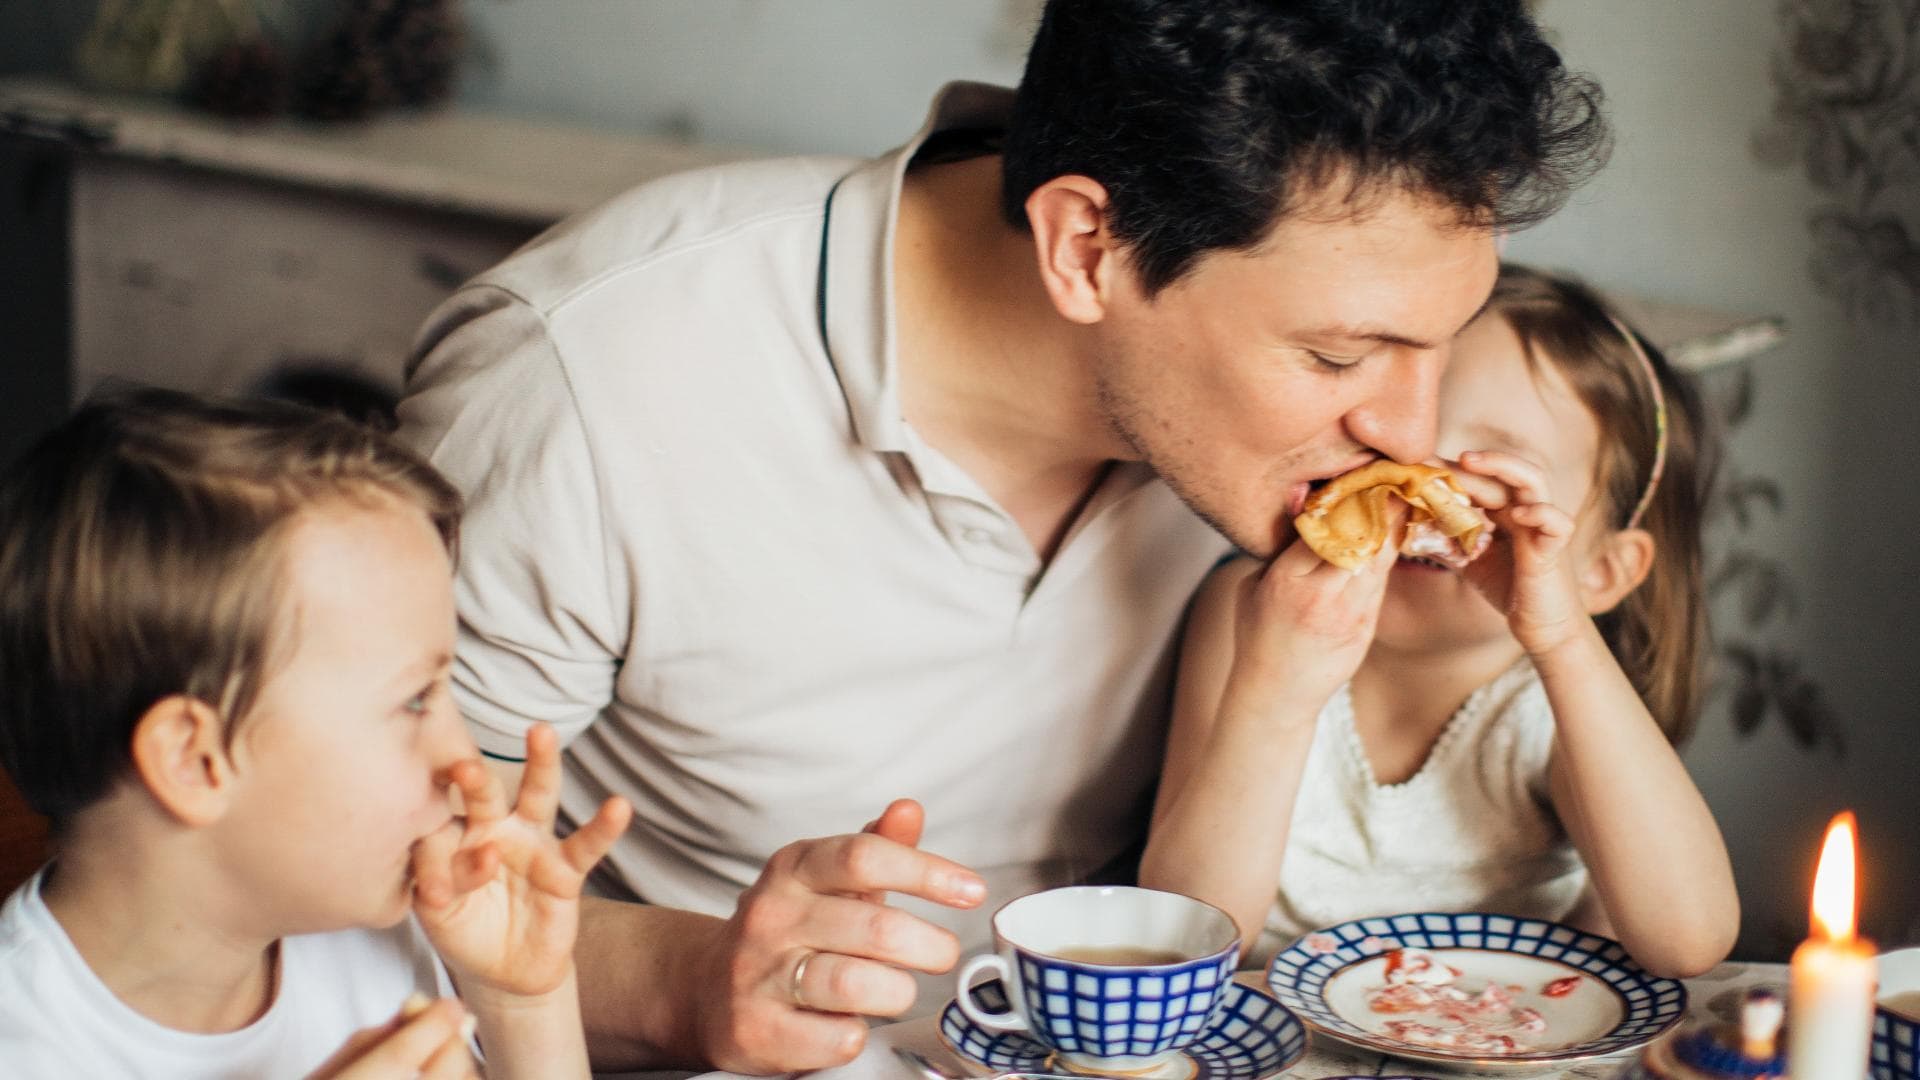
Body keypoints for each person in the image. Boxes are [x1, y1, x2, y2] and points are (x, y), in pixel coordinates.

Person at [396, 1, 1610, 1070]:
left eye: (1442, 338)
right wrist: (688, 983)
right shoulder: (587, 376)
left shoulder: (1288, 450)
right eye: (1339, 355)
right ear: (1087, 245)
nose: (1409, 426)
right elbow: (370, 902)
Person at [0, 389, 631, 1078]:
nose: (467, 762)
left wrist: (523, 1005)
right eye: (415, 700)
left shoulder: (367, 931)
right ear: (195, 760)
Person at [1139, 265, 1740, 978]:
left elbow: (1690, 940)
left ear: (1599, 572)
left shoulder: (1555, 701)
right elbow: (1183, 940)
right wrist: (1274, 694)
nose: (1423, 493)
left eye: (1492, 474)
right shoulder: (1256, 614)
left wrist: (1563, 637)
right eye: (1401, 452)